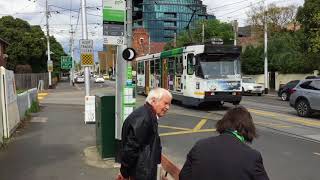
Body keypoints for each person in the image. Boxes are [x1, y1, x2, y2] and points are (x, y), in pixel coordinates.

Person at [179, 106, 269, 180]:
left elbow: (183, 176)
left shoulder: (200, 145)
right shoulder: (252, 157)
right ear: (248, 128)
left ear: (224, 123)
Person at [117, 88, 172, 180]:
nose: (167, 108)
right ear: (154, 101)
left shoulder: (145, 114)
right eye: (165, 103)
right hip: (141, 174)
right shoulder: (145, 119)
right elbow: (131, 149)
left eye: (169, 104)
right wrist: (124, 173)